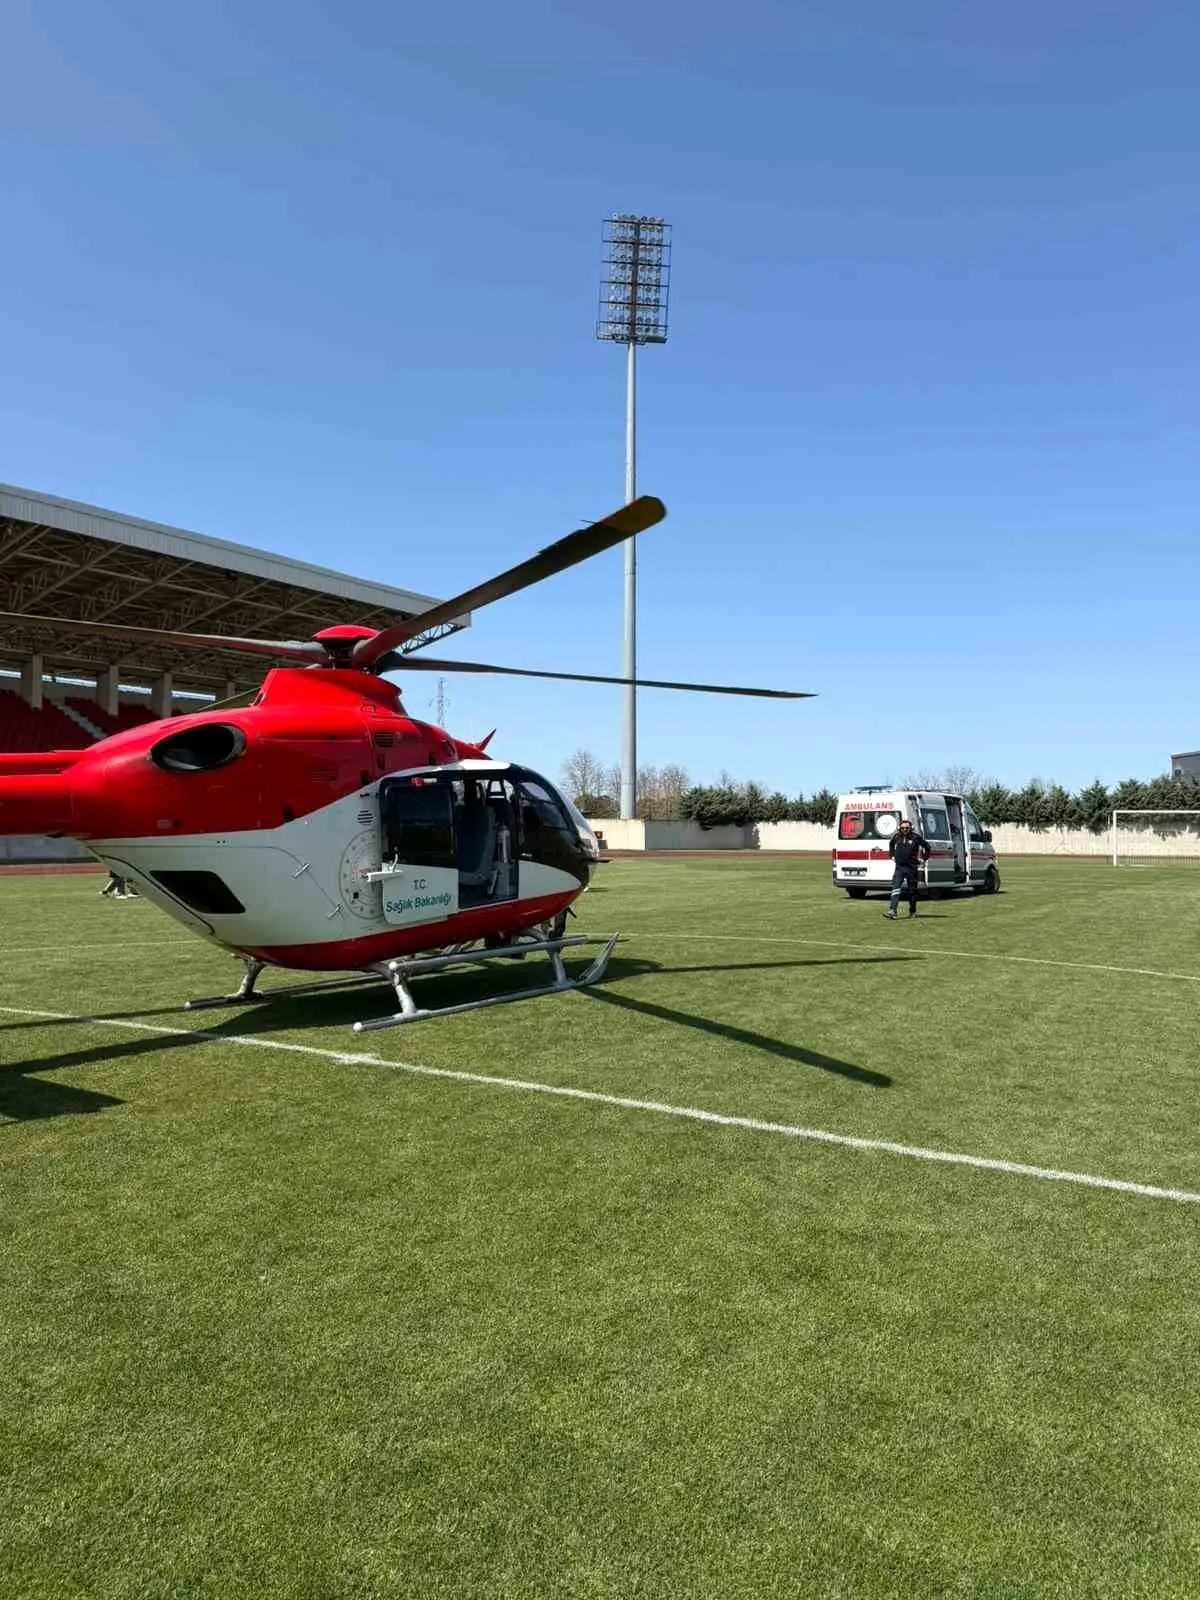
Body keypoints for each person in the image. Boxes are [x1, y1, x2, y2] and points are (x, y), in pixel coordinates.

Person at [883, 818, 929, 919]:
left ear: (911, 828)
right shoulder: (897, 837)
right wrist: (892, 855)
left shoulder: (916, 837)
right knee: (895, 888)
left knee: (912, 891)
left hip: (911, 868)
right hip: (899, 868)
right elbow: (891, 845)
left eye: (907, 828)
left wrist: (923, 859)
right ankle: (892, 911)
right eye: (902, 828)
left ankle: (912, 911)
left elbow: (927, 847)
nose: (904, 830)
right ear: (899, 828)